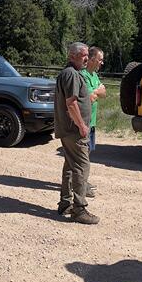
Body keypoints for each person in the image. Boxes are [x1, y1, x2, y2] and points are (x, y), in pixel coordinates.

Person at [53, 42, 98, 225]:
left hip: (69, 130)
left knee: (70, 166)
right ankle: (79, 209)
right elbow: (71, 103)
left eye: (87, 55)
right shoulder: (71, 74)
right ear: (72, 56)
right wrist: (82, 125)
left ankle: (65, 203)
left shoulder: (72, 73)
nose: (87, 58)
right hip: (74, 130)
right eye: (83, 55)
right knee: (81, 167)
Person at [82, 46, 106, 198]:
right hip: (83, 122)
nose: (101, 63)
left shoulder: (94, 74)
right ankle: (79, 185)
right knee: (82, 156)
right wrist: (97, 91)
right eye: (100, 59)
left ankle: (81, 181)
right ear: (91, 60)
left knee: (87, 153)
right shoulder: (83, 75)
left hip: (92, 122)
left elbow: (103, 93)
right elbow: (89, 98)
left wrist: (96, 91)